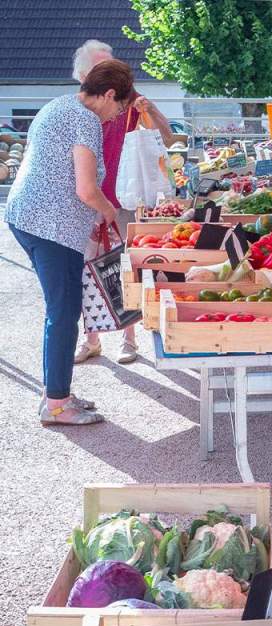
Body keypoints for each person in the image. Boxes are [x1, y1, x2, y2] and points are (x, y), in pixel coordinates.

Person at [4, 60, 135, 425]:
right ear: (109, 94)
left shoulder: (58, 104)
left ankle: (55, 391)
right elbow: (86, 188)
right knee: (63, 313)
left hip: (28, 216)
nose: (116, 115)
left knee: (60, 309)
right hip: (52, 226)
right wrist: (107, 211)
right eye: (119, 106)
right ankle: (57, 403)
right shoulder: (86, 120)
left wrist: (92, 216)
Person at [72, 40, 175, 365]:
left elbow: (167, 138)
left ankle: (129, 340)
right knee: (87, 270)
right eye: (101, 68)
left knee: (125, 269)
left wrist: (150, 110)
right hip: (86, 197)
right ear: (84, 75)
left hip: (124, 197)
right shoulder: (76, 107)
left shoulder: (130, 100)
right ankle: (91, 339)